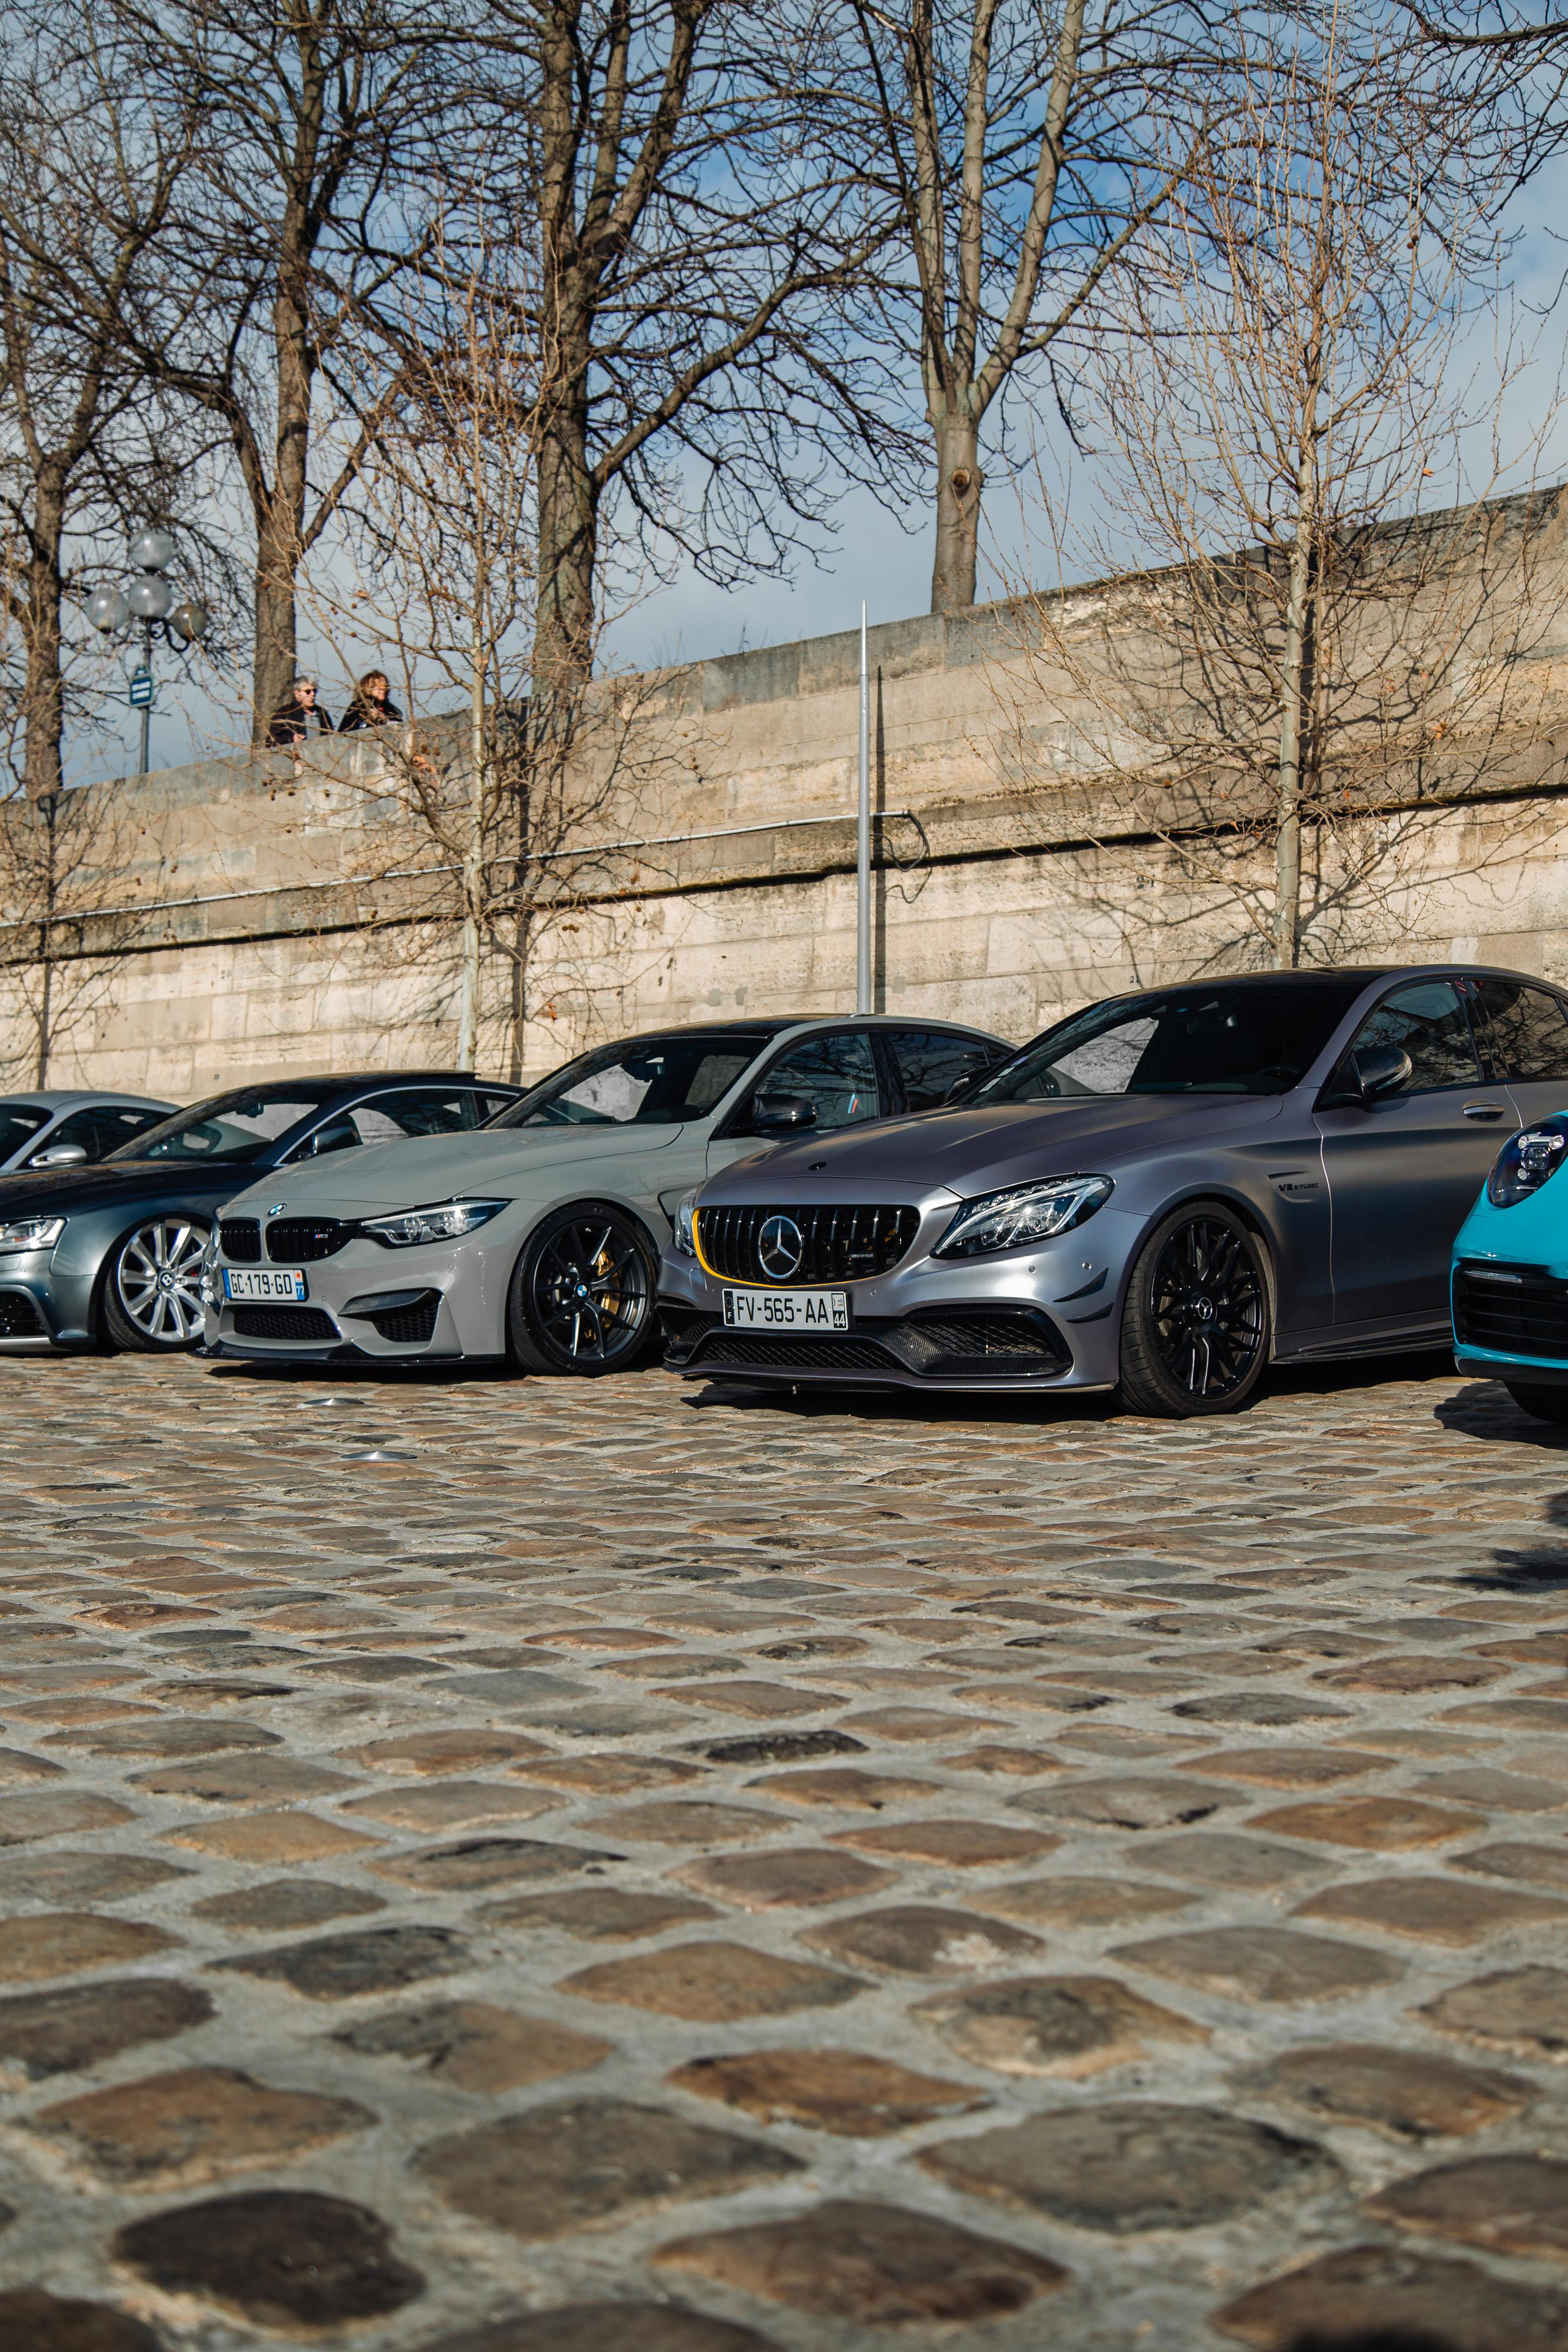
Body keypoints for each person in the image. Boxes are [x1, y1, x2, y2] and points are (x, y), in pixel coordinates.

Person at [266, 677, 334, 746]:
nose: (313, 694)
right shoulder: (284, 714)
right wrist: (292, 738)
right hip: (294, 755)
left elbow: (332, 737)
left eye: (315, 691)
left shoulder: (321, 713)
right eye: (308, 692)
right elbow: (270, 741)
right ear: (297, 693)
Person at [337, 669, 403, 731]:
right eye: (379, 685)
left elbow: (401, 728)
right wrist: (368, 721)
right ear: (369, 688)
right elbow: (349, 731)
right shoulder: (358, 706)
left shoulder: (390, 709)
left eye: (385, 685)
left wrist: (388, 722)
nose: (383, 689)